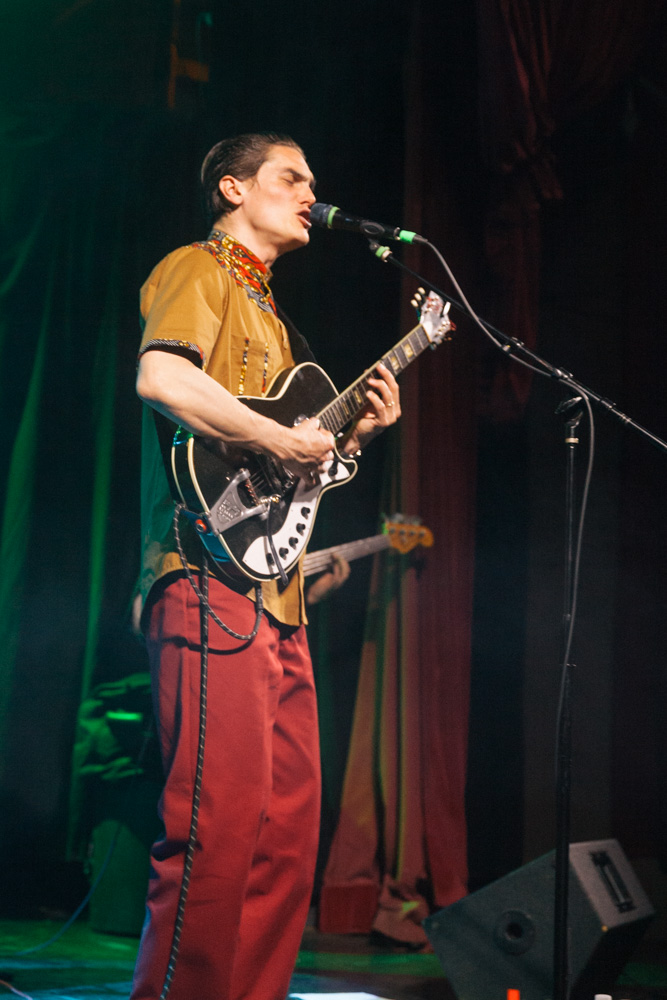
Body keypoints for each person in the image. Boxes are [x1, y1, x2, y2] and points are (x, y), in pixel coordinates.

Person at [131, 132, 401, 1000]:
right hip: (205, 579)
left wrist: (350, 437)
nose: (309, 192)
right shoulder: (198, 269)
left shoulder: (279, 324)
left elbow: (281, 473)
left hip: (278, 604)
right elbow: (164, 379)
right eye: (291, 178)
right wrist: (282, 435)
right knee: (216, 824)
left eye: (313, 181)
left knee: (284, 833)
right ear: (232, 187)